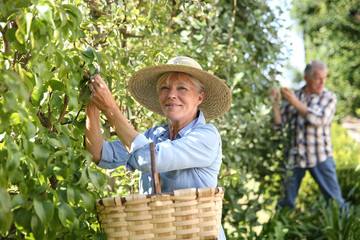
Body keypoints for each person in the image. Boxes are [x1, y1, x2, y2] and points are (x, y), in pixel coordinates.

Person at [85, 56, 231, 239]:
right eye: (165, 88)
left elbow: (148, 160)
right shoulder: (154, 136)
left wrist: (111, 109)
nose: (171, 94)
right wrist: (92, 104)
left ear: (199, 97)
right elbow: (99, 154)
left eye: (182, 88)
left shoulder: (206, 136)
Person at [271, 60, 348, 210]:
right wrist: (275, 104)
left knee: (336, 202)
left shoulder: (329, 97)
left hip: (320, 157)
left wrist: (295, 102)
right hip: (294, 157)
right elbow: (278, 126)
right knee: (286, 204)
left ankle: (343, 230)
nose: (322, 82)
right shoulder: (293, 96)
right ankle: (283, 231)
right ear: (306, 78)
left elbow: (319, 120)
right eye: (318, 78)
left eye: (324, 78)